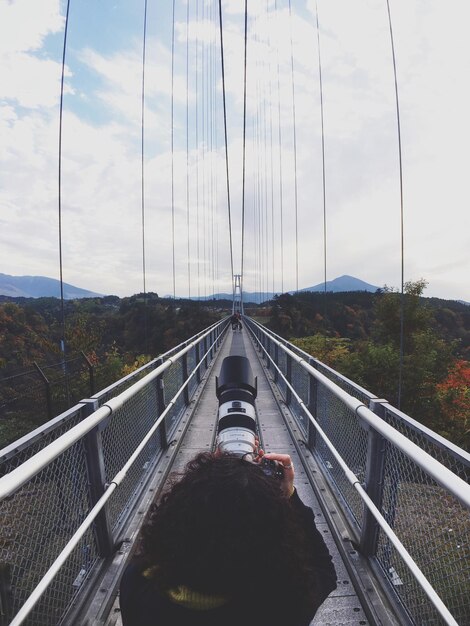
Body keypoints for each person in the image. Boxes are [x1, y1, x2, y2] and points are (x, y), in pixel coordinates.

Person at [120, 450, 337, 625]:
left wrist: (213, 479)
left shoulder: (139, 586)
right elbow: (324, 571)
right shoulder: (284, 607)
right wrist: (289, 494)